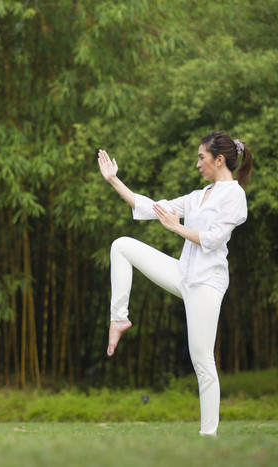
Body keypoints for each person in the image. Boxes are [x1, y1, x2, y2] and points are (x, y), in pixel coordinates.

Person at [97, 130, 253, 436]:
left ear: (218, 159)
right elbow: (150, 207)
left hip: (207, 283)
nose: (197, 164)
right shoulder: (198, 196)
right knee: (121, 245)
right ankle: (119, 318)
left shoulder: (234, 195)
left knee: (202, 362)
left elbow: (212, 239)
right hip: (183, 273)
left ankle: (208, 436)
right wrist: (114, 180)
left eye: (201, 157)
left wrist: (177, 228)